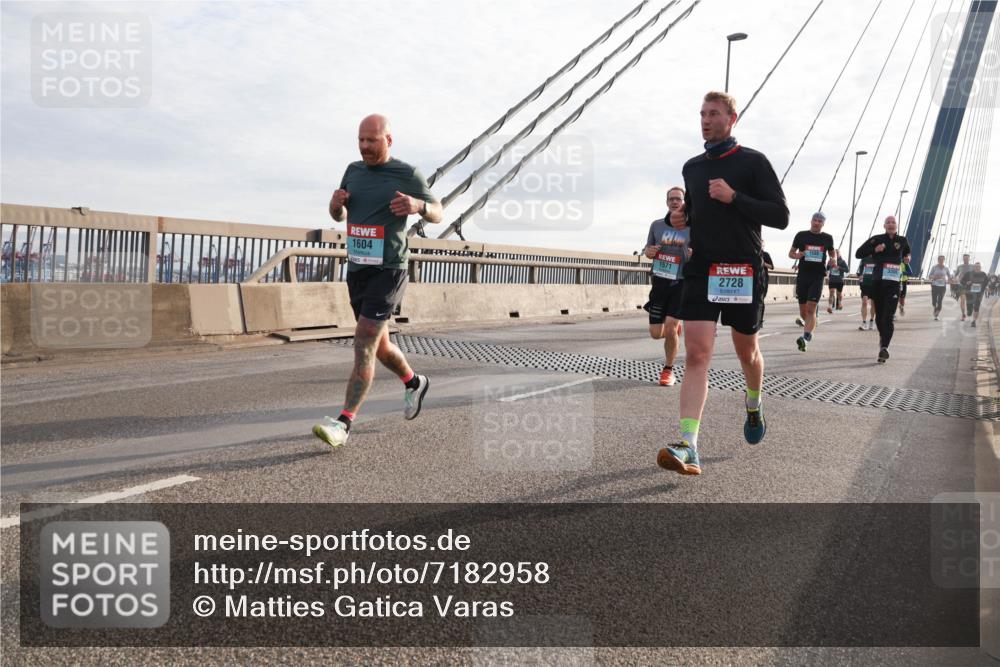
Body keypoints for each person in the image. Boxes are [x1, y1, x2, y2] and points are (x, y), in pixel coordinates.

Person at [656, 91, 789, 476]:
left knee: (746, 352)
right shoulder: (692, 167)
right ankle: (688, 444)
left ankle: (753, 402)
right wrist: (685, 219)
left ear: (733, 118)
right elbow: (698, 212)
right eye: (701, 113)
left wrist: (735, 197)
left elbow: (779, 215)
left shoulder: (753, 162)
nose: (705, 119)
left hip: (743, 271)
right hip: (703, 269)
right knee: (697, 355)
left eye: (713, 113)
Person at [313, 114, 443, 448]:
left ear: (389, 140)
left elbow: (438, 211)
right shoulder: (353, 171)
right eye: (361, 140)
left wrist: (418, 205)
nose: (365, 147)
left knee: (364, 339)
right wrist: (334, 205)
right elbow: (338, 216)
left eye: (372, 140)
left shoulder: (407, 173)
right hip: (357, 270)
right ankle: (414, 382)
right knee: (379, 345)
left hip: (389, 269)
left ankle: (343, 423)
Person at [643, 186, 690, 386]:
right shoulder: (657, 225)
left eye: (678, 199)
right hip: (660, 282)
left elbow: (703, 254)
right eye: (671, 199)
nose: (674, 202)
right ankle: (674, 330)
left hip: (681, 283)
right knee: (656, 333)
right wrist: (650, 251)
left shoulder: (693, 227)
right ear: (666, 202)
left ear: (684, 202)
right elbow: (647, 250)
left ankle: (668, 370)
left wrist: (692, 255)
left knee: (670, 327)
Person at [855, 216, 910, 363]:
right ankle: (882, 339)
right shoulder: (876, 239)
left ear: (897, 226)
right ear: (884, 226)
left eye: (893, 222)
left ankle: (884, 347)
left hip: (893, 284)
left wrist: (907, 257)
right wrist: (875, 249)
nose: (891, 224)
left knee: (888, 316)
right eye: (888, 222)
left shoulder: (903, 240)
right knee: (879, 317)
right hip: (878, 282)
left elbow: (907, 252)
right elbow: (858, 253)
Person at [788, 212, 834, 351]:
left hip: (818, 276)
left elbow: (832, 252)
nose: (817, 222)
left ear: (823, 224)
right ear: (811, 221)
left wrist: (834, 259)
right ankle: (812, 322)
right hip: (803, 275)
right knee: (803, 312)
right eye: (815, 220)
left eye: (820, 221)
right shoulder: (801, 235)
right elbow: (790, 253)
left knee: (811, 308)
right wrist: (798, 254)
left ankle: (806, 337)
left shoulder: (827, 238)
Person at [960, 262, 990, 327]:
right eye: (976, 266)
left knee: (977, 307)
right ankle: (969, 311)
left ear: (980, 267)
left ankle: (974, 321)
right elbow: (962, 281)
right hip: (969, 292)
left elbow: (986, 282)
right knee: (969, 309)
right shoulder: (968, 274)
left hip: (979, 293)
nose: (977, 268)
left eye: (978, 267)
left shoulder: (983, 274)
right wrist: (966, 283)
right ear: (974, 267)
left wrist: (986, 287)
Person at [926, 255, 952, 321]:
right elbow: (929, 276)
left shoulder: (946, 268)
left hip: (942, 286)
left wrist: (948, 280)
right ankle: (935, 308)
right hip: (934, 285)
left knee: (940, 300)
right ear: (938, 260)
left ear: (944, 260)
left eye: (942, 259)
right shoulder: (934, 267)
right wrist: (935, 277)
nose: (941, 261)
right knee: (934, 301)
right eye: (940, 259)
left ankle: (937, 314)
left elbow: (949, 277)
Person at [825, 248, 849, 313]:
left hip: (839, 280)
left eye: (837, 253)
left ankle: (840, 303)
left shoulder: (842, 262)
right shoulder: (830, 261)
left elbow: (847, 270)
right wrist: (829, 265)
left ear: (839, 254)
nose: (836, 254)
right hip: (832, 279)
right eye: (835, 253)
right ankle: (830, 307)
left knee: (839, 294)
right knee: (831, 293)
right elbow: (827, 269)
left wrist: (839, 268)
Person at [857, 255, 877, 331]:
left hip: (874, 284)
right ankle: (864, 322)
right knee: (864, 302)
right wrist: (860, 275)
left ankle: (871, 321)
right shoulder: (864, 259)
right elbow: (860, 270)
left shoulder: (878, 258)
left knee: (873, 304)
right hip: (865, 283)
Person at [955, 254, 974, 321]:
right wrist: (957, 279)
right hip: (961, 285)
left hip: (970, 286)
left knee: (970, 301)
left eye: (967, 258)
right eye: (964, 258)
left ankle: (970, 310)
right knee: (963, 300)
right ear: (963, 259)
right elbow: (955, 276)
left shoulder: (972, 266)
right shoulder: (960, 267)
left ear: (969, 259)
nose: (965, 259)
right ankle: (963, 314)